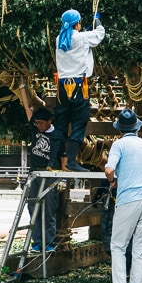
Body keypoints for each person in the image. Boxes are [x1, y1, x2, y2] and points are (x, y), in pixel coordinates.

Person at [104, 109, 142, 283]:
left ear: (119, 129)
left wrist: (113, 180)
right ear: (137, 127)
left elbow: (109, 169)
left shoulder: (119, 144)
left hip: (128, 199)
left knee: (118, 245)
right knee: (140, 249)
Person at [51, 9, 105, 172]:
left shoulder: (59, 38)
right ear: (78, 23)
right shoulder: (82, 38)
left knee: (60, 124)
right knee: (79, 123)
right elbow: (99, 34)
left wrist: (86, 31)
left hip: (62, 87)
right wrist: (97, 21)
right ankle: (72, 161)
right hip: (79, 86)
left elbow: (77, 38)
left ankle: (51, 161)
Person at [25, 106, 59, 252]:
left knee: (49, 208)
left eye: (41, 123)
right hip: (35, 174)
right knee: (33, 207)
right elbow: (28, 111)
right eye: (36, 123)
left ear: (49, 121)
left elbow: (63, 155)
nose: (38, 125)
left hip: (50, 174)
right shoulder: (35, 130)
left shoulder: (57, 135)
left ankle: (49, 242)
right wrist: (23, 90)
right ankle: (37, 242)